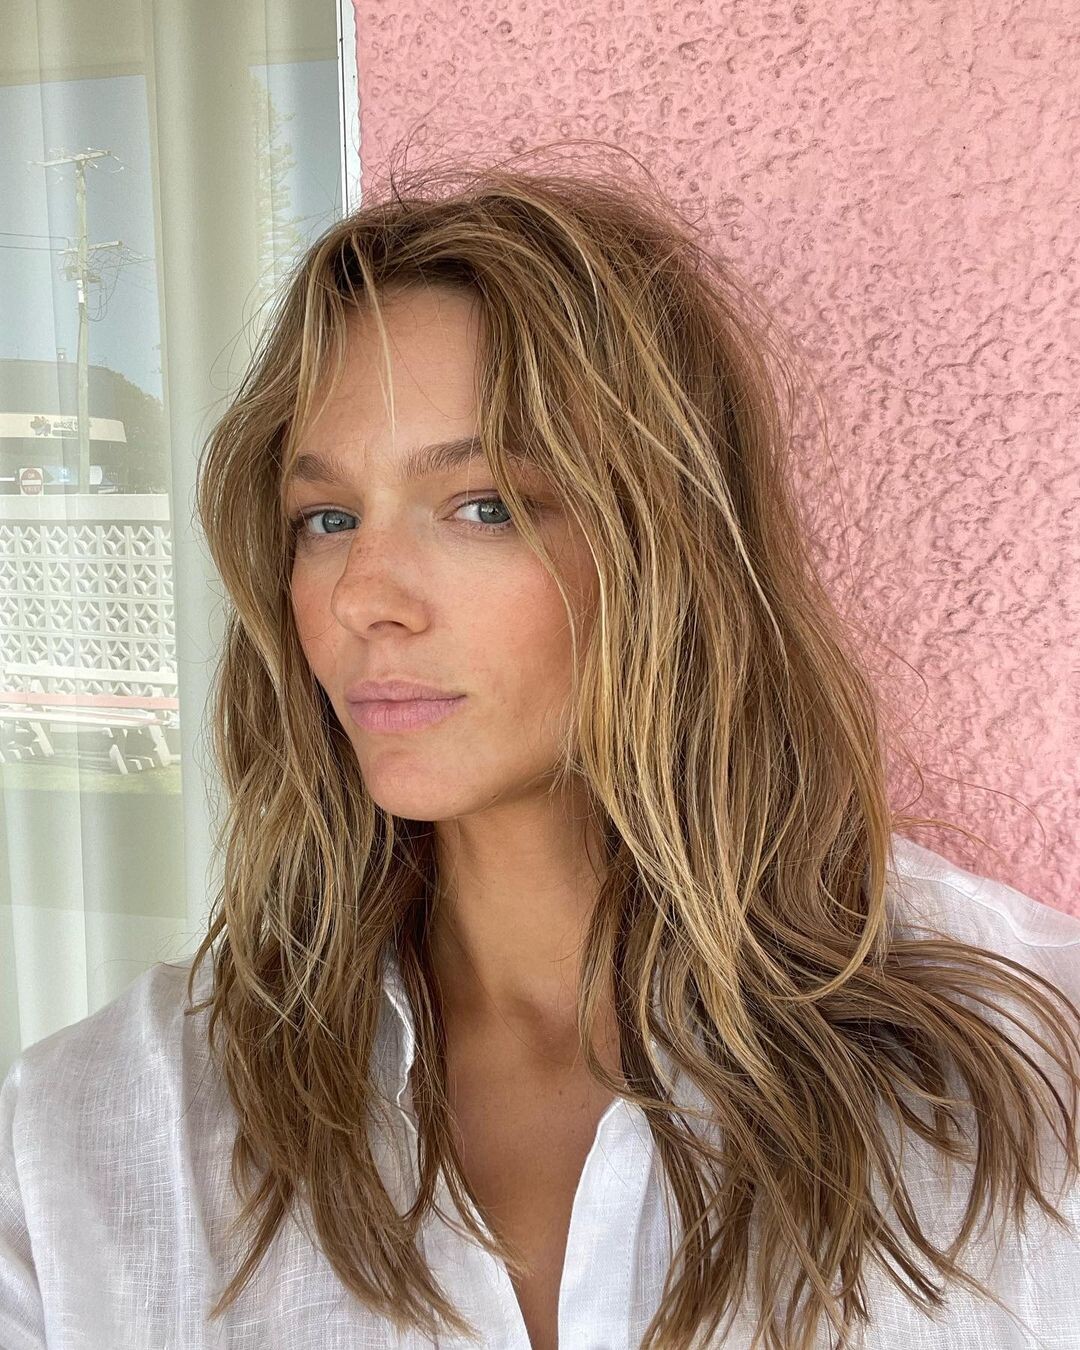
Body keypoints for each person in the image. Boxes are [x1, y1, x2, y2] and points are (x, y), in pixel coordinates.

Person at [2, 152, 1078, 1350]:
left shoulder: (1033, 1077)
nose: (363, 595)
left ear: (665, 546)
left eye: (484, 506)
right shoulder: (95, 1141)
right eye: (327, 519)